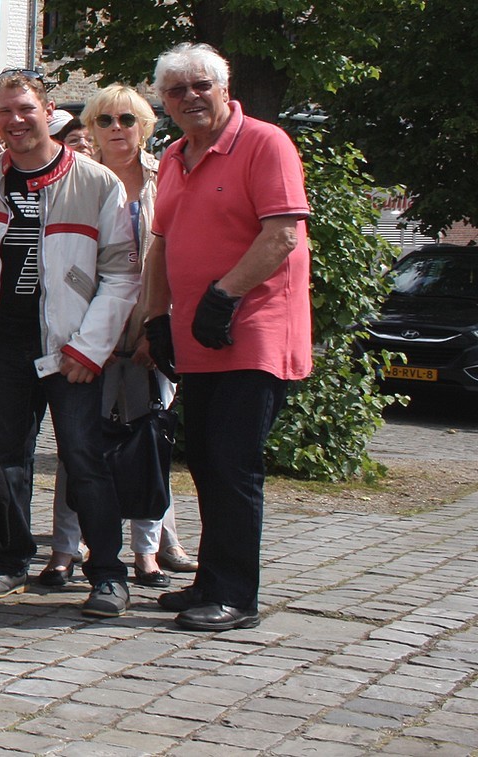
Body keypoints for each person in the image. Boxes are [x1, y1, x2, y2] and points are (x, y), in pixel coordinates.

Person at [0, 69, 137, 617]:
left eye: (25, 108)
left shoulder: (97, 182)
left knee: (84, 458)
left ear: (47, 110)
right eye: (4, 111)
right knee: (2, 461)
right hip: (0, 345)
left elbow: (123, 273)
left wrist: (90, 347)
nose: (15, 120)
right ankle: (8, 560)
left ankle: (106, 573)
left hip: (70, 348)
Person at [144, 42, 311, 632]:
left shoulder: (265, 143)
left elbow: (282, 234)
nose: (189, 97)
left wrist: (224, 294)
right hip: (198, 337)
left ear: (223, 87)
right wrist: (153, 317)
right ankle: (211, 581)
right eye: (175, 90)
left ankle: (236, 595)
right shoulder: (172, 157)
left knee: (234, 463)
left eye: (200, 86)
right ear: (163, 101)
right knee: (210, 462)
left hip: (253, 333)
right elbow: (161, 244)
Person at [39, 84, 199, 590]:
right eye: (104, 120)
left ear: (145, 126)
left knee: (149, 442)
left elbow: (171, 257)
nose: (116, 129)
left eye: (127, 120)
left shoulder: (165, 177)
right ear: (90, 128)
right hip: (87, 337)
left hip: (149, 331)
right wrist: (87, 340)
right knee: (79, 447)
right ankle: (66, 547)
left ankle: (146, 551)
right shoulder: (78, 181)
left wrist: (159, 327)